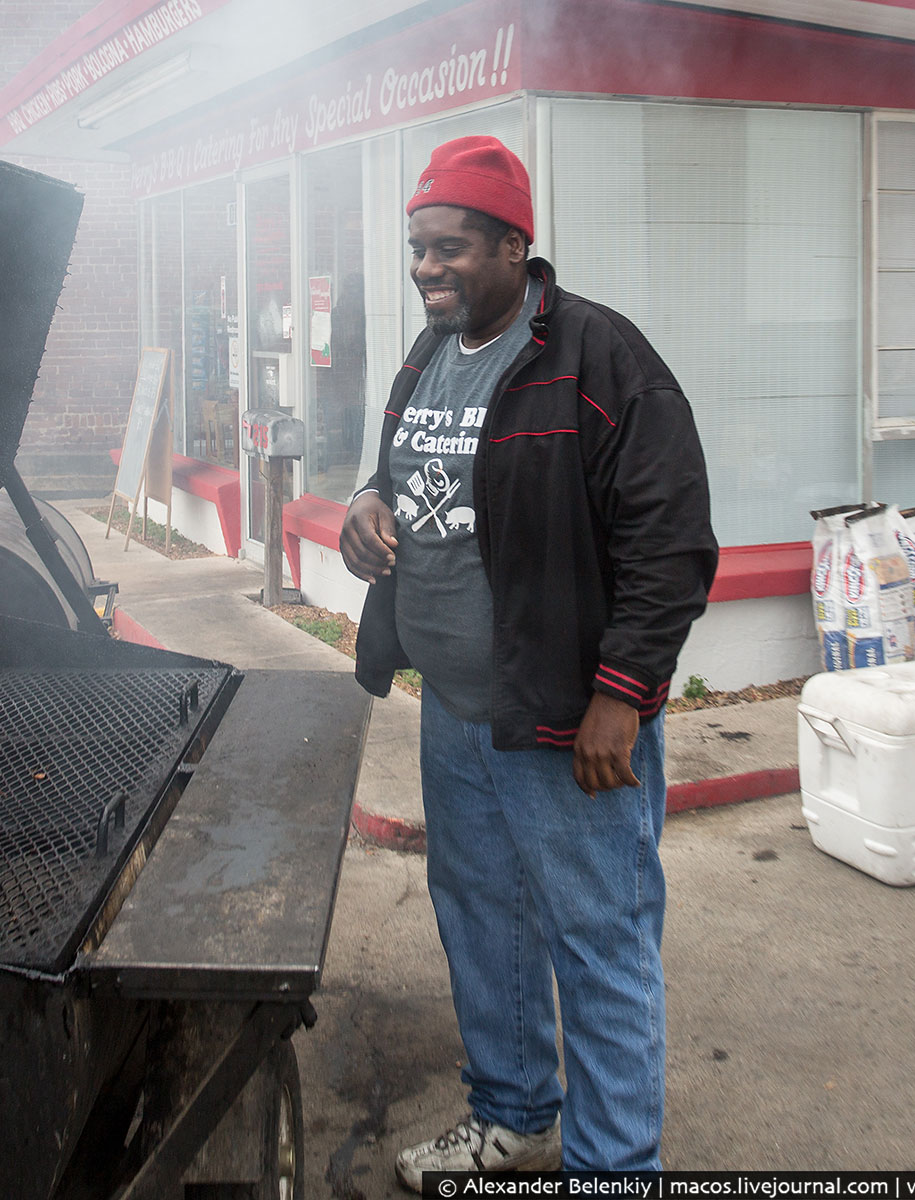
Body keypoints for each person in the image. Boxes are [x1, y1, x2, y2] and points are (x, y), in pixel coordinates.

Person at [338, 136, 716, 1178]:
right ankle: (514, 1114)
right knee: (482, 924)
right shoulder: (429, 354)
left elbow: (670, 537)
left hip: (562, 718)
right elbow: (402, 477)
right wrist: (364, 508)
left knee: (600, 942)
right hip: (457, 710)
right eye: (417, 249)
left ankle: (612, 1166)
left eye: (450, 247)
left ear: (515, 245)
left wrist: (623, 694)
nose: (427, 269)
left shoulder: (598, 356)